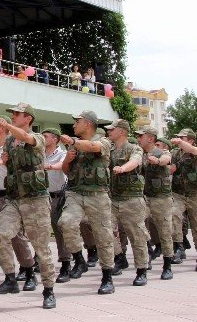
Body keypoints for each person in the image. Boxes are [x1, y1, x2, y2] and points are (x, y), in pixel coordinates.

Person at [0, 103, 56, 309]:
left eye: (16, 114)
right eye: (12, 114)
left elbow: (27, 138)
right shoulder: (10, 141)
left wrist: (8, 127)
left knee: (41, 246)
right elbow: (14, 167)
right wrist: (6, 161)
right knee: (1, 234)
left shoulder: (36, 137)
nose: (12, 117)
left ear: (28, 118)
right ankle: (10, 278)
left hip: (35, 199)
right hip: (14, 199)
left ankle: (48, 290)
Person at [58, 111, 115, 294]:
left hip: (97, 194)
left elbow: (93, 147)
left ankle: (107, 277)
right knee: (65, 222)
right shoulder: (74, 146)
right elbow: (67, 171)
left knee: (103, 235)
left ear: (88, 124)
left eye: (78, 121)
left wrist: (73, 142)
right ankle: (79, 259)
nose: (74, 125)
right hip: (75, 193)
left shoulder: (104, 141)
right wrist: (67, 159)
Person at [0, 116, 35, 294]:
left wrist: (5, 162)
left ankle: (28, 272)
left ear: (3, 128)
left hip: (8, 198)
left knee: (16, 238)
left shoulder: (13, 146)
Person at [104, 119, 147, 285]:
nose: (109, 131)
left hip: (132, 199)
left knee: (137, 236)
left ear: (122, 131)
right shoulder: (111, 150)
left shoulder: (134, 148)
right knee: (104, 229)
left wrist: (123, 168)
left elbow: (135, 161)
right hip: (113, 199)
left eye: (112, 129)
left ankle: (141, 270)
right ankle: (119, 256)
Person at [135, 125, 174, 279]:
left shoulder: (161, 151)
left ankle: (167, 265)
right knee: (139, 226)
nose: (139, 139)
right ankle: (147, 257)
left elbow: (166, 160)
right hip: (145, 197)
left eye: (141, 136)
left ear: (150, 138)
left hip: (162, 199)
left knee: (165, 232)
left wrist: (157, 161)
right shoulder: (140, 154)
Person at [42, 128, 70, 282]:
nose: (43, 138)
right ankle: (39, 260)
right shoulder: (40, 152)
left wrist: (49, 166)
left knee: (59, 228)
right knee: (40, 228)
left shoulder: (62, 153)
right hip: (42, 198)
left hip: (58, 197)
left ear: (55, 139)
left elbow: (62, 165)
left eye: (45, 136)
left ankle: (65, 262)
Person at [169, 128, 197, 266]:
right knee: (174, 215)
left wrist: (180, 142)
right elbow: (170, 167)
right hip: (178, 194)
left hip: (194, 195)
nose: (179, 139)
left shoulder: (194, 151)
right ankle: (179, 246)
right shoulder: (175, 153)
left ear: (191, 140)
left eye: (183, 138)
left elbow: (192, 150)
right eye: (178, 137)